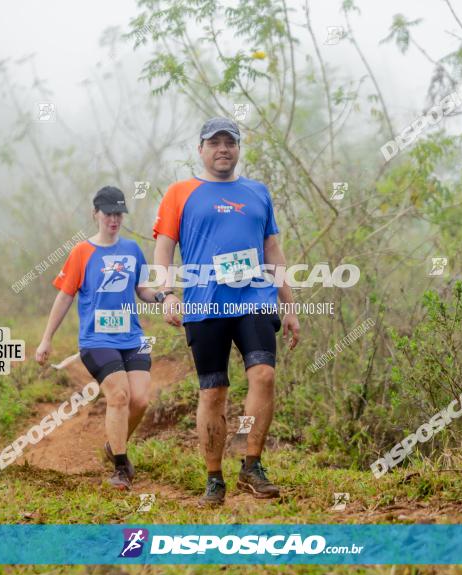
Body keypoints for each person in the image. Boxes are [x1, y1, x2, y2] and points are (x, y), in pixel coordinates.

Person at [152, 117, 301, 506]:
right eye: (214, 142)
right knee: (213, 391)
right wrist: (168, 292)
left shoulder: (257, 192)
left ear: (237, 148)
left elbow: (272, 250)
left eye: (229, 142)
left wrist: (289, 304)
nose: (222, 149)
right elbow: (164, 247)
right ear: (200, 149)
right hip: (205, 304)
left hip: (254, 299)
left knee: (264, 375)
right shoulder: (180, 192)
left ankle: (251, 465)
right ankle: (214, 480)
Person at [35, 186, 159, 490]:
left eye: (118, 214)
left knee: (140, 400)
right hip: (96, 340)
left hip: (132, 337)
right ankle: (120, 466)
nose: (114, 219)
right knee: (119, 395)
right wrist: (46, 339)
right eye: (108, 213)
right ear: (96, 214)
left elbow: (141, 289)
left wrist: (161, 297)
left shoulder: (132, 251)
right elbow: (64, 298)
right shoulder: (81, 252)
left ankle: (113, 446)